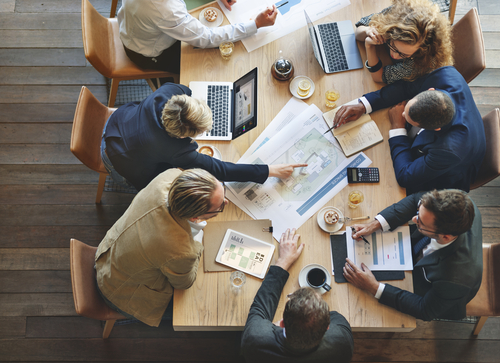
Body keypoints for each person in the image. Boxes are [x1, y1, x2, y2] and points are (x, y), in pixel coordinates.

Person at [101, 82, 305, 191]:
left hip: (116, 125)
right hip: (116, 161)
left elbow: (187, 93)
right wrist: (270, 170)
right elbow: (221, 170)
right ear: (181, 138)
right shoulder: (177, 151)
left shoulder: (167, 93)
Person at [95, 168, 227, 327]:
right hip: (118, 292)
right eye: (220, 207)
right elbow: (185, 283)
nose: (226, 202)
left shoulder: (168, 176)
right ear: (194, 217)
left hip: (108, 252)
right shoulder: (181, 251)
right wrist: (197, 241)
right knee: (197, 308)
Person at [332, 66, 485, 195]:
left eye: (408, 117)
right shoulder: (445, 74)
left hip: (441, 180)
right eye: (407, 109)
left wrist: (397, 127)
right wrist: (364, 105)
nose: (403, 114)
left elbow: (405, 176)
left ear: (434, 128)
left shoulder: (449, 150)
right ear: (430, 90)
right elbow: (406, 88)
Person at [343, 189, 482, 321]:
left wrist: (373, 287)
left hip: (433, 290)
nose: (414, 219)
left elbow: (424, 310)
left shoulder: (455, 280)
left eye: (420, 223)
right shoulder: (458, 201)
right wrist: (375, 224)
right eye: (418, 212)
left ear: (445, 237)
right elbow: (415, 199)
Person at [241, 229, 354, 362]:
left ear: (282, 323)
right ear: (327, 327)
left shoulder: (256, 339)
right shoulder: (341, 343)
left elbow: (261, 306)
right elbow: (335, 316)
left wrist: (284, 261)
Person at [117, 0, 278, 73]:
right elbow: (206, 38)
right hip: (147, 53)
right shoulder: (166, 9)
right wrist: (255, 24)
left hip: (131, 27)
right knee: (212, 65)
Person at [355, 0, 453, 84]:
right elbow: (358, 30)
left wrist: (369, 46)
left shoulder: (420, 62)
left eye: (404, 55)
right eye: (393, 45)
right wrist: (367, 30)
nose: (395, 55)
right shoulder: (397, 16)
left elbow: (379, 77)